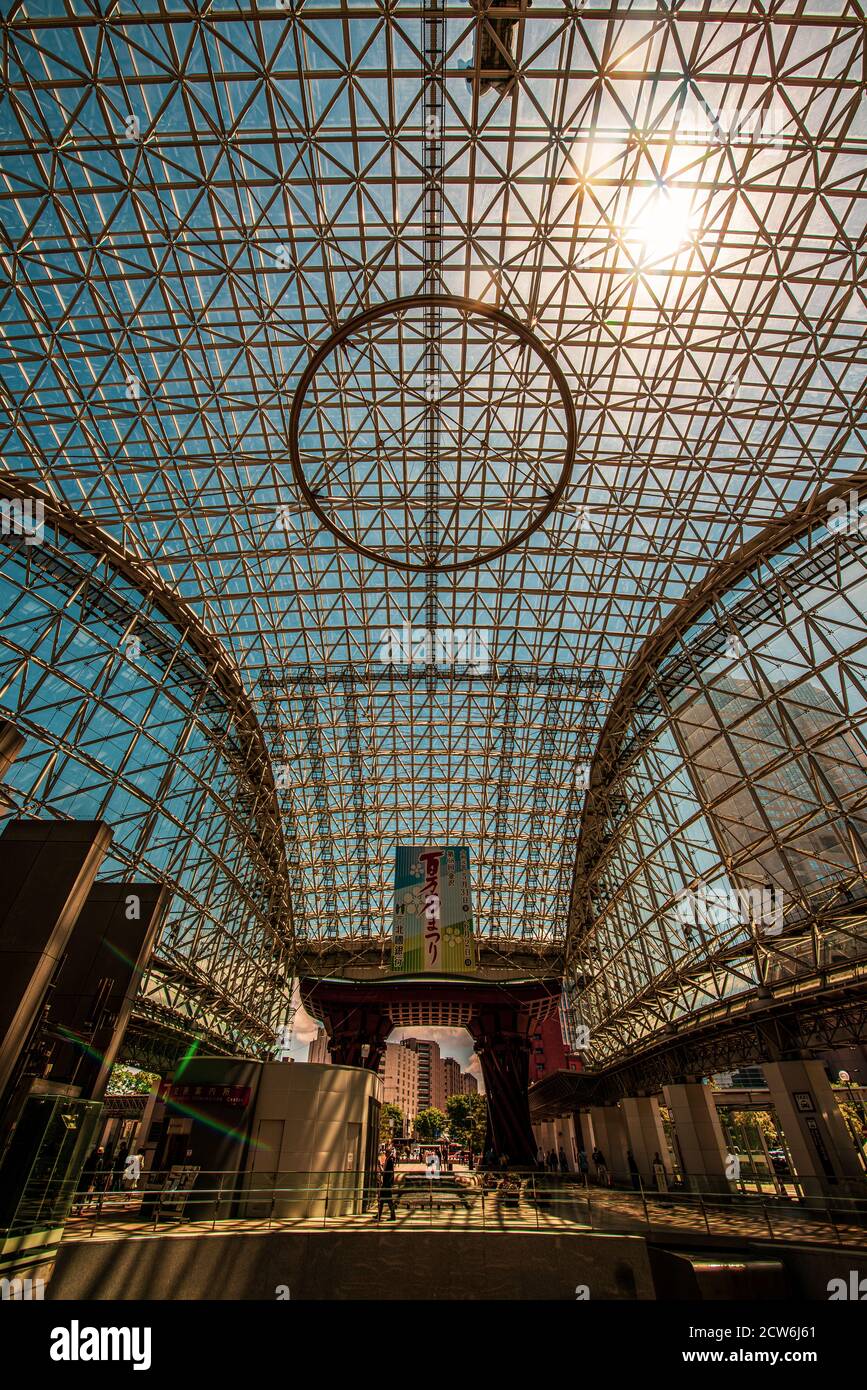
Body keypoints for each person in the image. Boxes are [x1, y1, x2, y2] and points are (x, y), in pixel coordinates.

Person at [376, 1146, 396, 1222]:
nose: (385, 1154)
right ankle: (379, 1215)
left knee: (385, 1200)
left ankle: (380, 1215)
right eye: (385, 1152)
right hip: (386, 1184)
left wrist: (388, 1183)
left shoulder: (390, 1160)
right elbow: (385, 1172)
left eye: (386, 1152)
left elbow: (389, 1173)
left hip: (387, 1184)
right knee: (385, 1200)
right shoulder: (388, 1160)